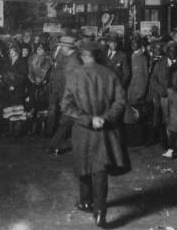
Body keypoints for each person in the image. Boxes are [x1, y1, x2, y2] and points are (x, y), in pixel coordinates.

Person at [61, 40, 130, 228]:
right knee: (100, 170)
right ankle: (100, 213)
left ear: (82, 56)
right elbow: (121, 102)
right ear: (97, 55)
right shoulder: (110, 74)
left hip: (83, 131)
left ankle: (85, 201)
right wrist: (105, 118)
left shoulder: (75, 75)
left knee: (83, 165)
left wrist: (88, 119)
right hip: (105, 131)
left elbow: (66, 106)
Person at [48, 35, 81, 153]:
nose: (60, 48)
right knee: (67, 122)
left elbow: (70, 83)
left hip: (71, 98)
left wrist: (65, 99)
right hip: (66, 97)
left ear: (68, 48)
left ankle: (55, 146)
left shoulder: (73, 62)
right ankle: (55, 145)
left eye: (62, 46)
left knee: (66, 122)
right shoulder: (67, 58)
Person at [2, 42, 28, 137]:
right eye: (10, 51)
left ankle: (17, 131)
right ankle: (10, 130)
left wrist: (14, 85)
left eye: (13, 51)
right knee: (10, 110)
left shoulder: (22, 61)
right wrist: (7, 83)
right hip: (8, 89)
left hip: (18, 90)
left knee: (18, 110)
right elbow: (4, 73)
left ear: (17, 51)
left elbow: (23, 76)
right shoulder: (7, 61)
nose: (11, 52)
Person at [28, 40, 52, 136]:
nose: (39, 51)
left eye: (41, 49)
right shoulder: (32, 58)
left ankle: (43, 129)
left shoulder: (48, 60)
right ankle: (33, 129)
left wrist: (44, 80)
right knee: (33, 107)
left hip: (44, 87)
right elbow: (29, 72)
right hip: (33, 86)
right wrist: (32, 80)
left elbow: (49, 73)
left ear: (45, 50)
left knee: (43, 108)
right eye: (38, 49)